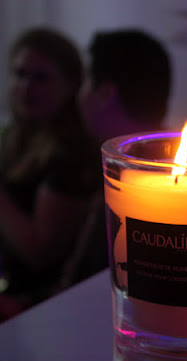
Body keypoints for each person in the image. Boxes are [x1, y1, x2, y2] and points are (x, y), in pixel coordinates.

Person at [0, 28, 101, 320]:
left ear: (71, 85)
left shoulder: (72, 155)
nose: (26, 87)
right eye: (20, 74)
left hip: (39, 305)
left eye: (41, 78)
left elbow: (39, 253)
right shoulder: (15, 135)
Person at [67, 29, 172, 292]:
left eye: (85, 82)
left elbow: (81, 287)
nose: (79, 96)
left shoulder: (127, 185)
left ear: (105, 94)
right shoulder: (167, 164)